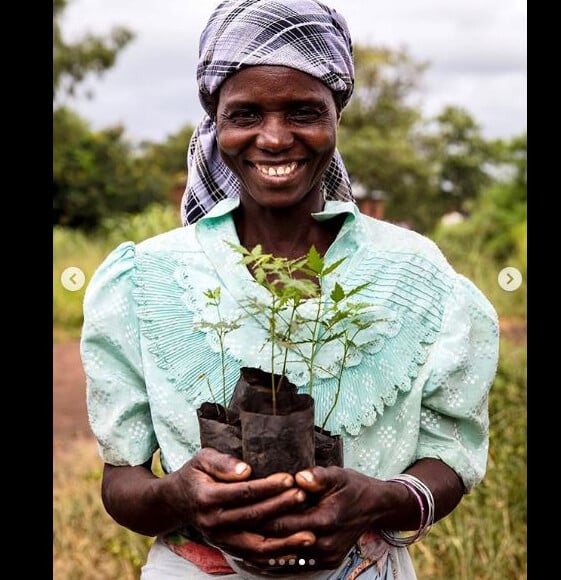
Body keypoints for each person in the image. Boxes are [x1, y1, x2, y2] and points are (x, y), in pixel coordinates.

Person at [80, 1, 500, 579]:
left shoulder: (415, 274)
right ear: (216, 123)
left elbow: (450, 459)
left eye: (303, 111)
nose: (274, 139)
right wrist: (180, 496)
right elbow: (121, 481)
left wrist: (381, 498)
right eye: (246, 113)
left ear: (335, 117)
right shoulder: (147, 279)